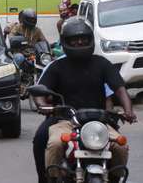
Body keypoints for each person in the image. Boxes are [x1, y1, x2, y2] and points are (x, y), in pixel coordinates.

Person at [37, 18, 136, 182]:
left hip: (99, 121)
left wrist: (128, 110)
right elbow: (40, 91)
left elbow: (119, 88)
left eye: (83, 38)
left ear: (91, 39)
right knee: (51, 143)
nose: (79, 42)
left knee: (120, 146)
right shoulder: (57, 66)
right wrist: (42, 105)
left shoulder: (102, 63)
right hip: (66, 120)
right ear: (65, 42)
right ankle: (50, 178)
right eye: (74, 39)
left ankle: (114, 177)